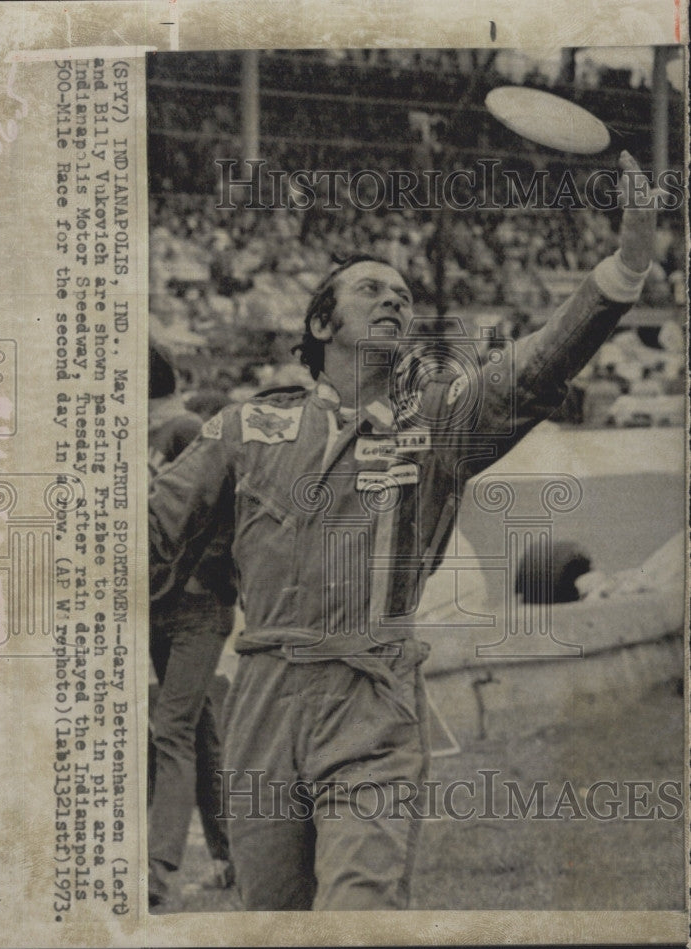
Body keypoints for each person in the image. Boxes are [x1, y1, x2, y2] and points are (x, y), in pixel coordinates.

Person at [149, 151, 658, 910]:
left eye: (403, 295)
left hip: (372, 701)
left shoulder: (438, 423)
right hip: (262, 699)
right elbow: (148, 533)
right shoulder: (243, 427)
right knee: (275, 931)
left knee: (360, 919)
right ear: (323, 322)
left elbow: (533, 370)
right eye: (370, 289)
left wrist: (623, 269)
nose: (394, 301)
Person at [148, 353, 237, 908]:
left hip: (197, 607)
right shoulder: (153, 432)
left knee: (170, 730)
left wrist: (208, 579)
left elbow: (226, 509)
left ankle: (157, 874)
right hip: (162, 604)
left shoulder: (185, 429)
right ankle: (234, 859)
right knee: (200, 732)